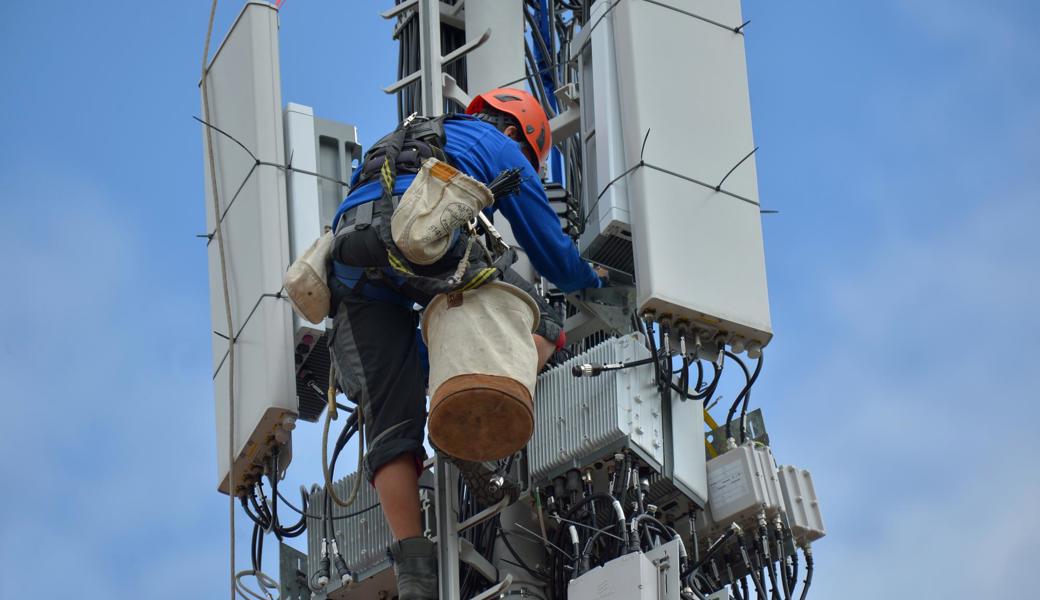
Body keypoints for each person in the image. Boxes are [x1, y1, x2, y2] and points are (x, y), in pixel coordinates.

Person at [327, 88, 601, 599]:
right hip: (417, 238)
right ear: (517, 130)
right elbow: (549, 251)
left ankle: (413, 570)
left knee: (390, 420)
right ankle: (484, 415)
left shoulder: (399, 141)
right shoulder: (494, 144)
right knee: (538, 318)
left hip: (348, 262)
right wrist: (598, 280)